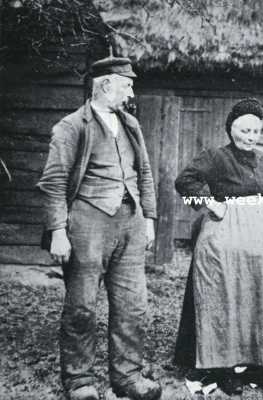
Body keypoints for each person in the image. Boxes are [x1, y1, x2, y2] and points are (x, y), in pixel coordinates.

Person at [36, 56, 161, 400]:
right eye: (127, 84)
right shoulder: (72, 126)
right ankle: (79, 382)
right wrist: (58, 231)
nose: (131, 90)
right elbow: (53, 181)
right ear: (106, 85)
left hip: (130, 224)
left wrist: (148, 220)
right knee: (82, 306)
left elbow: (145, 173)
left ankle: (128, 377)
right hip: (88, 224)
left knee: (133, 306)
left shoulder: (131, 124)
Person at [173, 98, 263, 395]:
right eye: (244, 130)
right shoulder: (216, 157)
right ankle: (225, 367)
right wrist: (208, 202)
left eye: (256, 131)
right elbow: (184, 181)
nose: (250, 136)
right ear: (231, 129)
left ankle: (259, 365)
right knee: (227, 300)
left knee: (262, 299)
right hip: (227, 244)